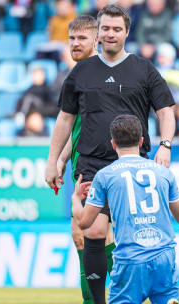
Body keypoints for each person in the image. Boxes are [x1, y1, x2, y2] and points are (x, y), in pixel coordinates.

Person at [45, 5, 176, 303]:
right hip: (91, 164)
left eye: (117, 29)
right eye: (105, 28)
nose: (110, 34)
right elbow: (65, 118)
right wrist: (54, 160)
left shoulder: (144, 69)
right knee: (91, 230)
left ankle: (138, 292)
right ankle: (97, 302)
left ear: (127, 32)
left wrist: (165, 146)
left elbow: (166, 111)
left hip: (132, 163)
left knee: (135, 238)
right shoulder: (81, 72)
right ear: (99, 33)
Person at [72, 114, 179, 304]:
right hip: (164, 257)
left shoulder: (105, 175)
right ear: (142, 141)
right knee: (166, 296)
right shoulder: (163, 173)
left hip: (130, 259)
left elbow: (84, 222)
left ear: (112, 143)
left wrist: (76, 199)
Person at [54, 15, 115, 304]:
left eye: (82, 39)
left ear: (96, 40)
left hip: (106, 164)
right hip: (81, 164)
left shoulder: (107, 73)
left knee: (100, 235)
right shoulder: (76, 77)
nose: (75, 44)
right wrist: (60, 159)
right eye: (72, 39)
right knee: (81, 235)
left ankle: (120, 293)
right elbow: (71, 123)